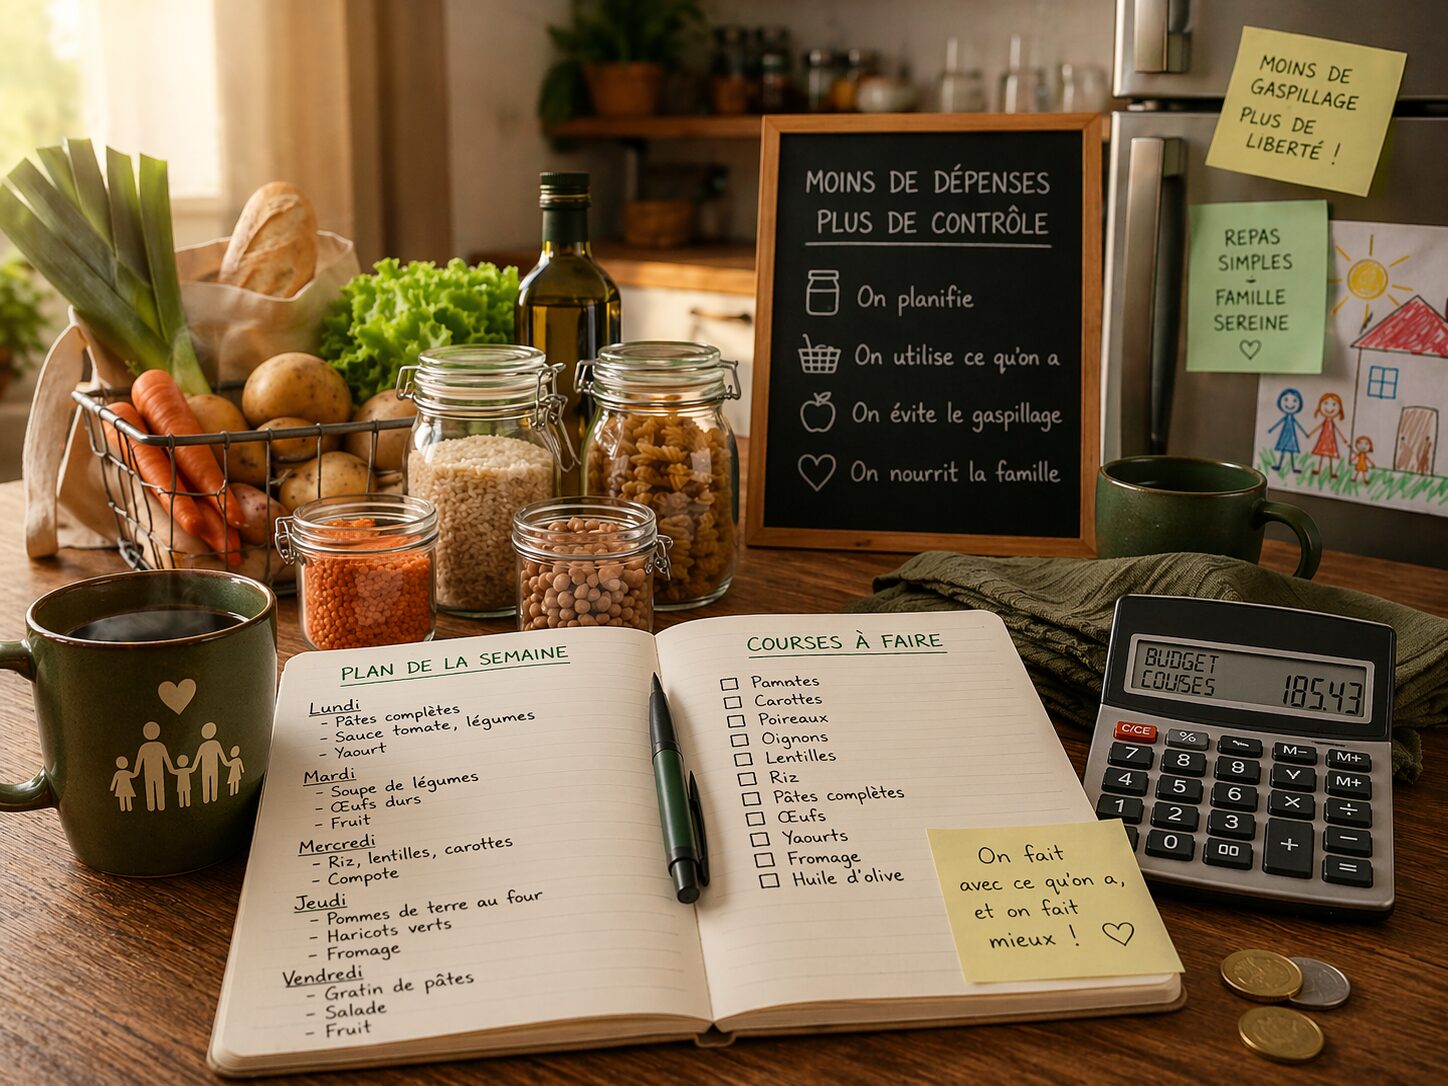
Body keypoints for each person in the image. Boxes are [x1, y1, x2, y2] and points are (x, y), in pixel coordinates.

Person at [132, 721, 176, 812]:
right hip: (156, 773)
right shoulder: (159, 746)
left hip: (151, 773)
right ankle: (159, 806)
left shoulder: (145, 747)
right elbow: (167, 761)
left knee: (151, 789)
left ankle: (152, 806)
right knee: (158, 788)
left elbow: (138, 763)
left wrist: (135, 773)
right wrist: (172, 770)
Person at [1267, 388, 1308, 473]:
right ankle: (1279, 465)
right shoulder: (1287, 418)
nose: (1290, 404)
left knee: (1291, 452)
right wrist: (1271, 429)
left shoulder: (1291, 418)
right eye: (1286, 400)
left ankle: (1293, 468)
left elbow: (1298, 425)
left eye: (1294, 401)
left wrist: (1305, 433)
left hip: (1291, 436)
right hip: (1285, 435)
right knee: (1283, 450)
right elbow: (1279, 422)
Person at [1309, 392, 1347, 478]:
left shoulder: (1331, 422)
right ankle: (1318, 470)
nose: (1329, 408)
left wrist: (1343, 439)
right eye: (1326, 403)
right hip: (1324, 439)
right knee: (1322, 455)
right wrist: (1311, 433)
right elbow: (1319, 427)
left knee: (1330, 456)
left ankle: (1331, 473)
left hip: (1330, 440)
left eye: (1334, 404)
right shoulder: (1326, 421)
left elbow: (1336, 429)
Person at [192, 722, 228, 804]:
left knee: (208, 782)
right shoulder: (212, 744)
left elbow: (197, 759)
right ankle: (212, 797)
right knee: (212, 781)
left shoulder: (205, 745)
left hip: (208, 768)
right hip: (211, 768)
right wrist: (227, 763)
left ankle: (208, 798)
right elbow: (198, 758)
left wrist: (193, 768)